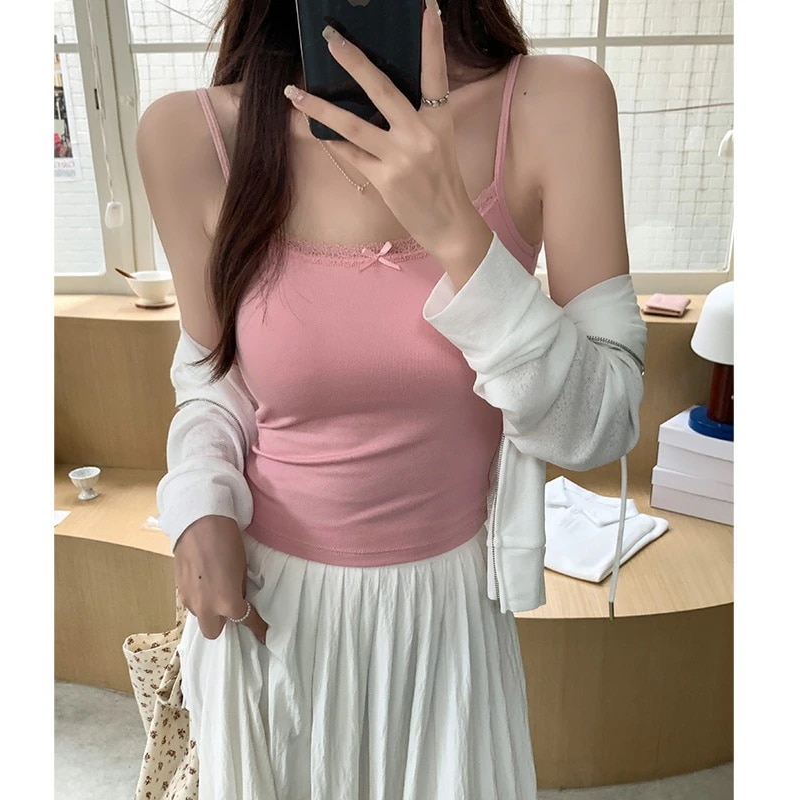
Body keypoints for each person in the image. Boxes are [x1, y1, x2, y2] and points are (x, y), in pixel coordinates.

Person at [136, 0, 646, 797]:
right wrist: (197, 502)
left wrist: (459, 234)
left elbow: (602, 424)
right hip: (268, 619)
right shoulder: (191, 136)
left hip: (447, 630)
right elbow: (211, 380)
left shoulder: (555, 104)